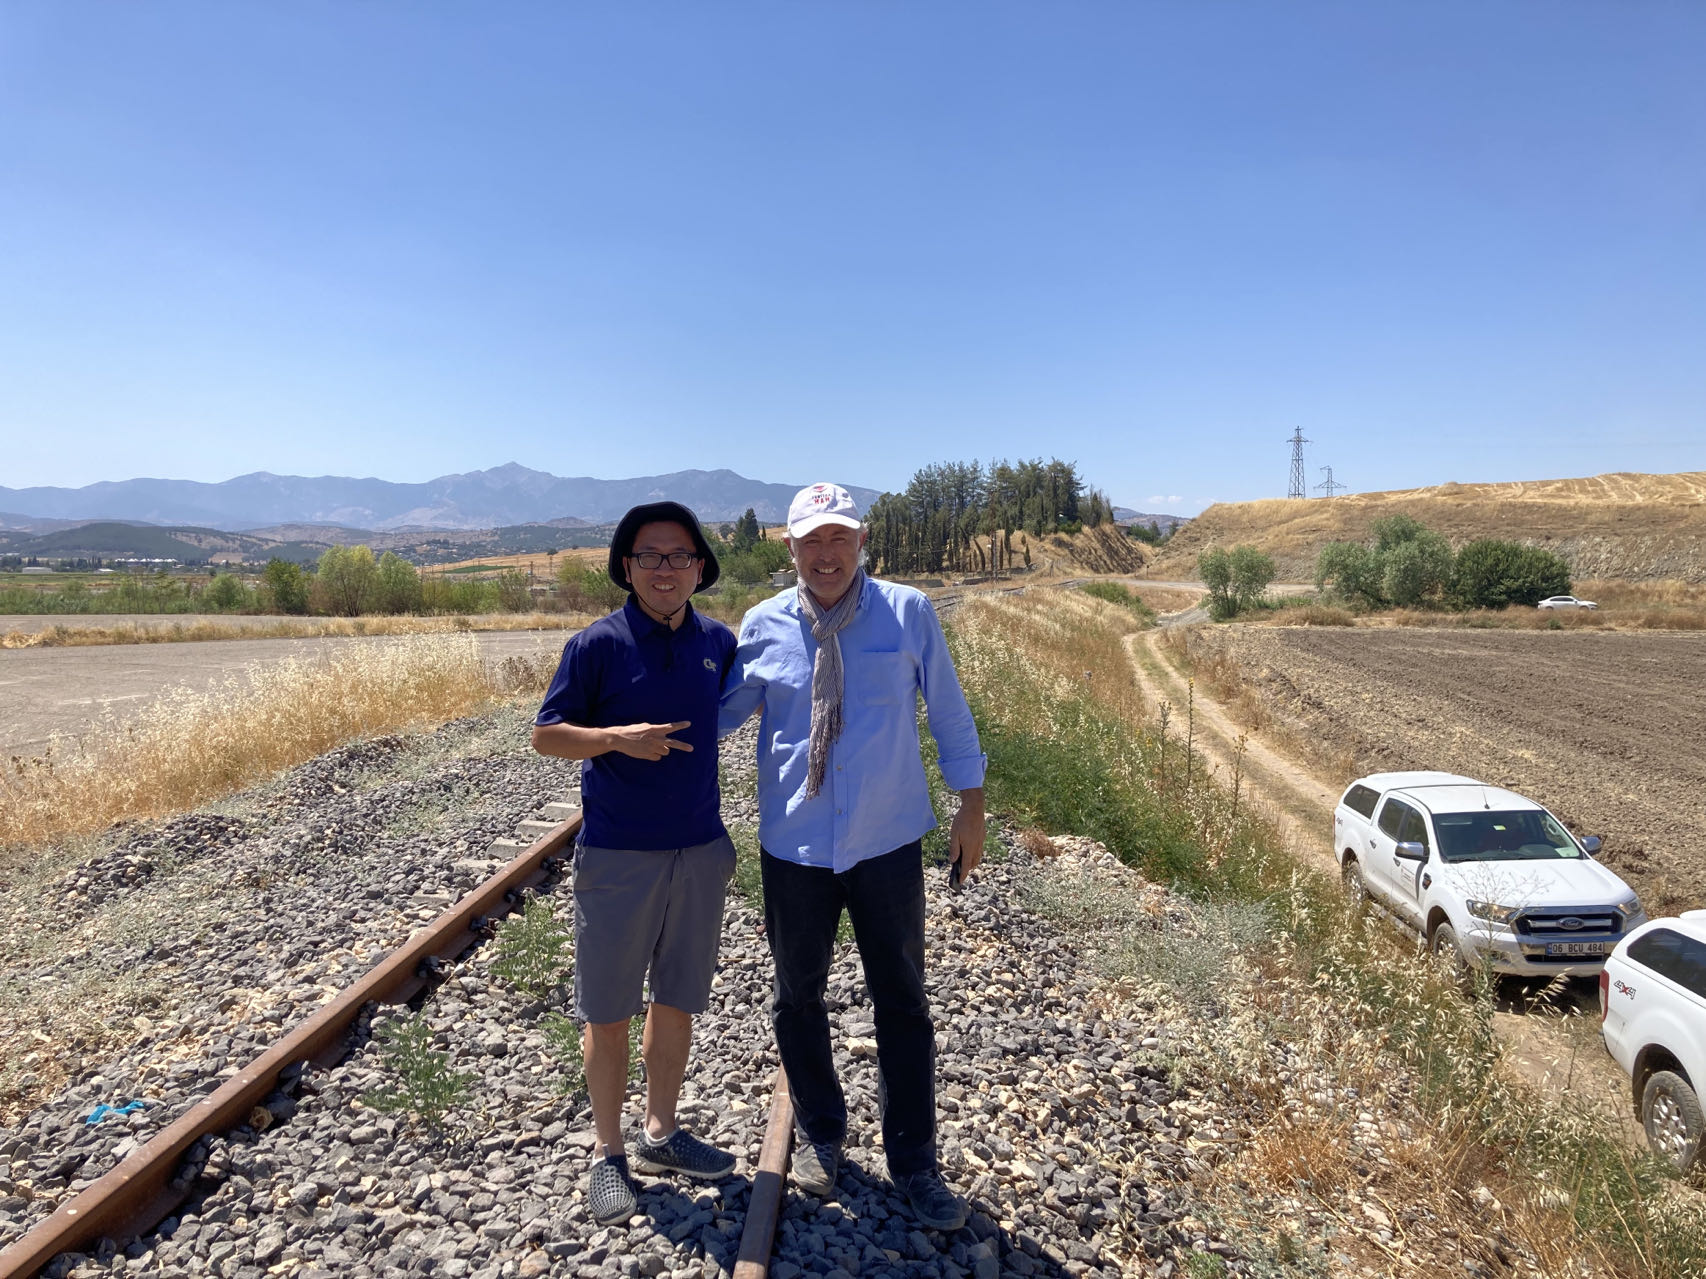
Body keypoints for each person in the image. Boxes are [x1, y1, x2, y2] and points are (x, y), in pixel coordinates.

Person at [718, 482, 986, 1232]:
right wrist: (627, 733)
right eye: (812, 541)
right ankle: (824, 1132)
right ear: (791, 548)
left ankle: (915, 1164)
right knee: (795, 998)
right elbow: (723, 717)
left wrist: (971, 803)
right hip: (795, 848)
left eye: (840, 539)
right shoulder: (764, 625)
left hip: (886, 841)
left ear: (861, 543)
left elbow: (949, 708)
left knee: (901, 1002)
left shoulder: (907, 612)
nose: (826, 554)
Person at [531, 501, 739, 1225]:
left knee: (678, 997)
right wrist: (616, 737)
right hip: (619, 854)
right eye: (650, 555)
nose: (665, 568)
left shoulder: (719, 641)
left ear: (699, 568)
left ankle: (661, 1131)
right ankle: (608, 1154)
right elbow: (545, 737)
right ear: (626, 566)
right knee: (608, 1009)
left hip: (700, 849)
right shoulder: (596, 645)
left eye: (680, 555)